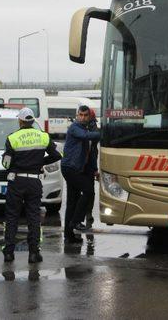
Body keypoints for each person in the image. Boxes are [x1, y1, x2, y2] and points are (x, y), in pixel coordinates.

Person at [1, 107, 62, 263]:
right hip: (34, 180)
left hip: (17, 181)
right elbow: (57, 155)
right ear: (33, 121)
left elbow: (6, 163)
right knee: (34, 217)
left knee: (12, 216)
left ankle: (9, 252)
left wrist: (13, 162)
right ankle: (34, 253)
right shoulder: (43, 137)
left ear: (20, 121)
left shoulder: (12, 138)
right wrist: (40, 162)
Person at [61, 105, 101, 244]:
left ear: (90, 117)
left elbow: (92, 153)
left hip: (77, 169)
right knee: (89, 192)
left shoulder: (87, 129)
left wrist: (95, 169)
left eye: (85, 115)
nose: (82, 117)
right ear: (77, 115)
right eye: (81, 115)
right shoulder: (75, 127)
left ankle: (69, 235)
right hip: (69, 168)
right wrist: (105, 132)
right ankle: (76, 222)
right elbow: (85, 136)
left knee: (72, 202)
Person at [85, 108, 100, 227]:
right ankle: (87, 213)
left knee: (89, 191)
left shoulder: (92, 127)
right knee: (89, 191)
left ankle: (87, 212)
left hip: (88, 163)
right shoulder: (81, 127)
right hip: (87, 164)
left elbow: (93, 150)